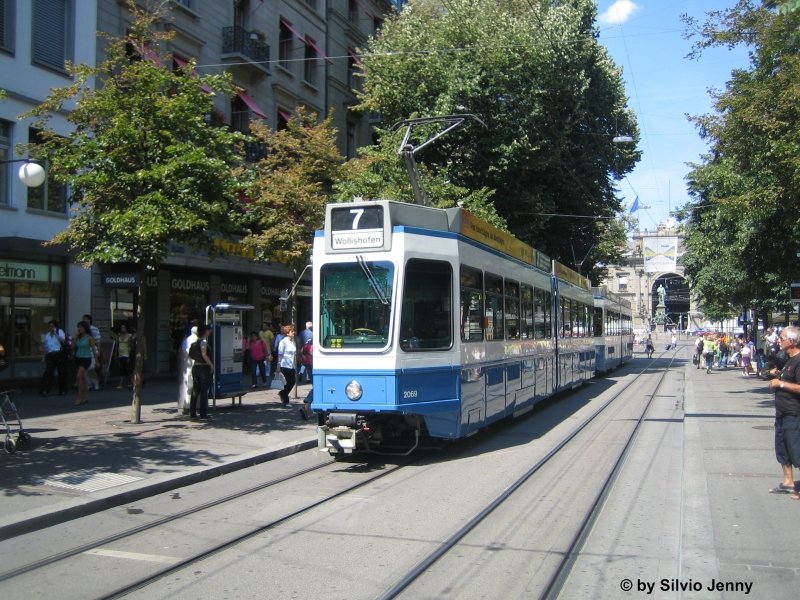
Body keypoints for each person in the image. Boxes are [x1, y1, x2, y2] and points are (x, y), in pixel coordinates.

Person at [767, 326, 800, 497]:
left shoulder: (799, 360)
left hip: (794, 414)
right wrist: (776, 375)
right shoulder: (788, 359)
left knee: (796, 450)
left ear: (791, 341)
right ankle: (788, 482)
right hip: (782, 412)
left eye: (782, 338)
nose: (778, 340)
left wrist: (780, 384)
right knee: (782, 449)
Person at [189, 324, 213, 420]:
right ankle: (203, 413)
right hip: (203, 368)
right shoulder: (204, 342)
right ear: (205, 331)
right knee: (203, 391)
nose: (210, 331)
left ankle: (192, 412)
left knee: (195, 390)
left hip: (196, 367)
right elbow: (204, 355)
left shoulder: (195, 342)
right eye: (208, 330)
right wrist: (211, 364)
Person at [73, 320, 99, 406]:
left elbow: (94, 350)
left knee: (79, 377)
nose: (79, 329)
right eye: (78, 327)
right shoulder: (78, 337)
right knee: (83, 378)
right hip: (78, 358)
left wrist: (97, 361)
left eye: (81, 327)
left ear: (85, 328)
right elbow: (72, 346)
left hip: (86, 358)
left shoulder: (89, 338)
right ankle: (86, 397)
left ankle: (79, 397)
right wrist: (75, 337)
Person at [41, 319, 68, 396]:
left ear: (55, 327)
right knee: (48, 372)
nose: (51, 328)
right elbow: (46, 346)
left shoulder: (60, 332)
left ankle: (63, 390)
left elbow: (63, 341)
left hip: (59, 353)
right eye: (50, 326)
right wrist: (44, 356)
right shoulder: (47, 335)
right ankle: (45, 389)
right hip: (50, 354)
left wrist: (55, 334)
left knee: (61, 372)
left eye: (52, 326)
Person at [178, 323, 198, 413]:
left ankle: (185, 405)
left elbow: (182, 352)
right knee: (193, 387)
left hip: (185, 367)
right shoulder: (197, 340)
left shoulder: (186, 340)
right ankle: (192, 407)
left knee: (187, 386)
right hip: (193, 366)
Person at [277, 325, 297, 405]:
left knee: (292, 382)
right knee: (287, 382)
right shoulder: (283, 342)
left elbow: (294, 354)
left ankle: (282, 393)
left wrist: (295, 365)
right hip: (284, 365)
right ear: (287, 333)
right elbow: (280, 354)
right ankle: (286, 400)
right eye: (292, 331)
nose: (293, 333)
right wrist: (278, 365)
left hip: (291, 365)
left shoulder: (293, 342)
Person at [83, 314, 102, 391]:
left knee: (91, 367)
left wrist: (99, 351)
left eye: (86, 319)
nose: (84, 320)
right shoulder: (82, 329)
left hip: (93, 349)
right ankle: (89, 383)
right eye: (84, 319)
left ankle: (96, 381)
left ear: (89, 320)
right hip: (85, 349)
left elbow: (98, 341)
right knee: (85, 367)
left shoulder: (94, 329)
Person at [113, 324, 133, 389]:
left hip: (126, 354)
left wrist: (129, 356)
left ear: (126, 328)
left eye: (124, 327)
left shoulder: (129, 336)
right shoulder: (119, 335)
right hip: (120, 354)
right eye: (122, 327)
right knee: (122, 369)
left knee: (128, 369)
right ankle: (121, 384)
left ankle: (133, 383)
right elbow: (117, 345)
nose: (123, 328)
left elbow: (130, 346)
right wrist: (116, 354)